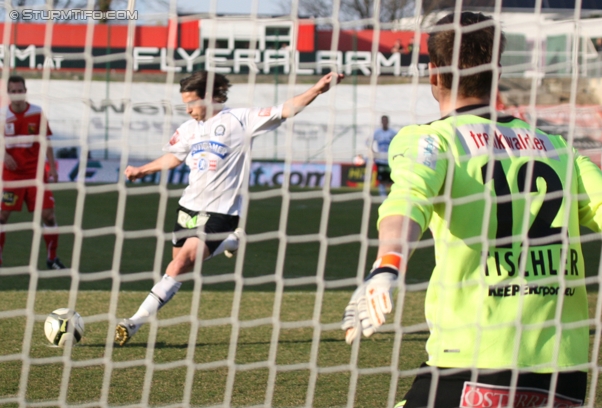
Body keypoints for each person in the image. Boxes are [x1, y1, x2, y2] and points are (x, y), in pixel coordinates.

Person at [342, 12, 602, 408]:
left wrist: (387, 266)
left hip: (472, 363)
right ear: (498, 71)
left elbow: (407, 201)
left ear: (434, 73)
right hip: (560, 375)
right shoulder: (559, 149)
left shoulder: (433, 141)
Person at [116, 70, 343, 346]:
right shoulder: (189, 128)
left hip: (221, 213)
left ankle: (134, 322)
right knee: (180, 269)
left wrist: (318, 88)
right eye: (184, 104)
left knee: (179, 264)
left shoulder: (240, 120)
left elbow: (285, 109)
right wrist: (143, 169)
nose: (188, 110)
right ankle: (230, 242)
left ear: (211, 98)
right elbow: (175, 156)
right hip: (187, 209)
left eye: (192, 103)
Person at [0, 75, 65, 269]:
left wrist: (52, 168)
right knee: (2, 217)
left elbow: (47, 141)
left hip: (36, 176)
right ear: (9, 94)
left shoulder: (37, 113)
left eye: (20, 90)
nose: (17, 94)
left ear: (25, 92)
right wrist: (5, 155)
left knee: (49, 216)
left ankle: (52, 259)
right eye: (14, 91)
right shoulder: (3, 115)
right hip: (12, 177)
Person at [370, 115, 397, 196]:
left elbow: (398, 142)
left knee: (392, 180)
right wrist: (373, 152)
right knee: (381, 181)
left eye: (386, 120)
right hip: (380, 160)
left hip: (390, 160)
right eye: (383, 120)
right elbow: (368, 142)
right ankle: (383, 198)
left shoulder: (393, 132)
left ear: (388, 122)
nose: (384, 122)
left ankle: (393, 197)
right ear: (381, 122)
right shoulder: (377, 132)